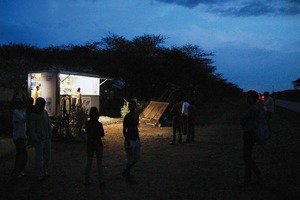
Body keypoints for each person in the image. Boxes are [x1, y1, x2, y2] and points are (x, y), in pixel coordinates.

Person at [240, 90, 263, 186]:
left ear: (251, 98)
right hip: (251, 133)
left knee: (247, 157)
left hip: (249, 134)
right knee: (247, 156)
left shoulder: (252, 109)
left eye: (247, 97)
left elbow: (242, 120)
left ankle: (250, 179)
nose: (246, 98)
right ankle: (254, 177)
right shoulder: (255, 108)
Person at [30, 97, 51, 181]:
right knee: (40, 158)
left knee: (47, 156)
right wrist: (35, 138)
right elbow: (32, 128)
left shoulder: (44, 113)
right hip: (39, 139)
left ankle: (44, 171)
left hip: (46, 138)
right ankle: (40, 173)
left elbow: (48, 124)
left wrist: (49, 134)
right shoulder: (34, 115)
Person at [84, 107, 105, 188]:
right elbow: (102, 135)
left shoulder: (87, 124)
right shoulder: (99, 124)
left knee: (89, 162)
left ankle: (87, 180)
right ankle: (101, 181)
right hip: (98, 144)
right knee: (99, 163)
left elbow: (87, 133)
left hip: (90, 144)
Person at [122, 100, 141, 184]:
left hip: (134, 138)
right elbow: (124, 130)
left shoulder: (135, 116)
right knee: (131, 158)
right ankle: (127, 172)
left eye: (133, 106)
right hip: (130, 138)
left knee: (136, 157)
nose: (133, 107)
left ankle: (127, 170)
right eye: (131, 106)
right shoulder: (128, 117)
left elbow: (136, 128)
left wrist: (138, 138)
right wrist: (127, 139)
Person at [11, 98, 28, 180]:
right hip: (18, 137)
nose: (22, 105)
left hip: (22, 136)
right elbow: (23, 119)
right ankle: (17, 172)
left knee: (20, 155)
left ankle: (17, 171)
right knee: (23, 155)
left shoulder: (22, 111)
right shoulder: (16, 112)